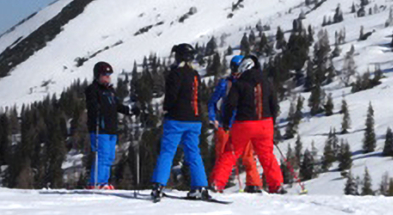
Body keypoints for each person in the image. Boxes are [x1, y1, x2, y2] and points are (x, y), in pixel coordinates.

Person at [210, 55, 285, 194]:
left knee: (230, 153)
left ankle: (217, 184)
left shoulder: (239, 83)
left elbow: (230, 104)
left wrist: (225, 122)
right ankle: (277, 185)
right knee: (267, 155)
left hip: (244, 124)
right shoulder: (266, 82)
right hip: (265, 123)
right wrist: (272, 122)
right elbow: (274, 105)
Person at [150, 44, 209, 202]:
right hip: (194, 119)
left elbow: (171, 96)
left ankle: (158, 185)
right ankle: (200, 186)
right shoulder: (195, 74)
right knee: (193, 152)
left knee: (168, 151)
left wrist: (166, 109)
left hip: (176, 119)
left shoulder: (175, 73)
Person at [207, 55, 263, 193]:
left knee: (248, 155)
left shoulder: (247, 83)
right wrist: (213, 119)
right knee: (222, 155)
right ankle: (216, 183)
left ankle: (253, 183)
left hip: (242, 124)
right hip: (225, 124)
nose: (236, 72)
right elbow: (213, 102)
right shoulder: (226, 84)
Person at [85, 61, 139, 189]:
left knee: (109, 157)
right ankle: (96, 182)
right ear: (98, 75)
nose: (108, 78)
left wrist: (129, 110)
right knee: (102, 156)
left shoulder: (110, 91)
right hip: (100, 128)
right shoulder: (93, 89)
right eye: (105, 75)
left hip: (111, 129)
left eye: (109, 75)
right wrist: (97, 109)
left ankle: (104, 181)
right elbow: (92, 106)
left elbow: (117, 106)